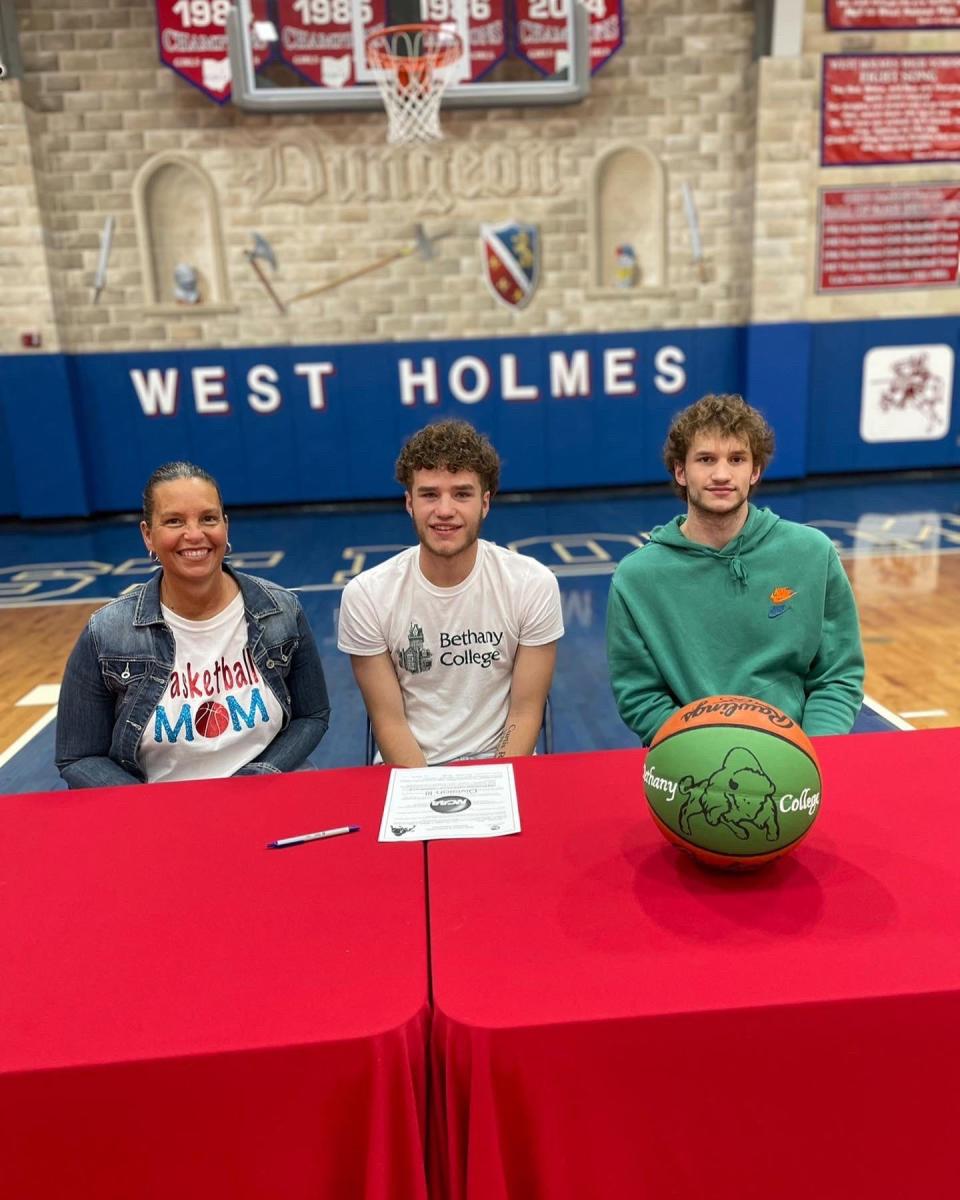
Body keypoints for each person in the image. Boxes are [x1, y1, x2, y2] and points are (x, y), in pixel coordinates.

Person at [606, 393, 864, 745]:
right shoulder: (637, 578)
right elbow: (640, 695)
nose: (722, 474)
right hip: (690, 760)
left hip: (799, 755)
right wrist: (705, 750)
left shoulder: (812, 552)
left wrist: (813, 750)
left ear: (755, 470)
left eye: (737, 459)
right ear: (681, 471)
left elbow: (837, 674)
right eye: (706, 459)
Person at [56, 462, 330, 787]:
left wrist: (258, 777)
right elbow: (78, 755)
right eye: (174, 521)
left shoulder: (281, 611)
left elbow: (311, 715)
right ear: (148, 535)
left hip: (265, 795)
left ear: (225, 526)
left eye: (208, 518)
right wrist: (150, 807)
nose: (195, 534)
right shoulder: (107, 633)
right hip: (157, 814)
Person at [337, 420, 563, 765]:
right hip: (412, 773)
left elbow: (525, 712)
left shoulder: (533, 584)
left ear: (484, 503)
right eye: (429, 494)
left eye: (462, 494)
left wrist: (493, 785)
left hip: (502, 767)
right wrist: (432, 797)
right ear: (409, 503)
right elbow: (389, 722)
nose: (444, 510)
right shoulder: (366, 595)